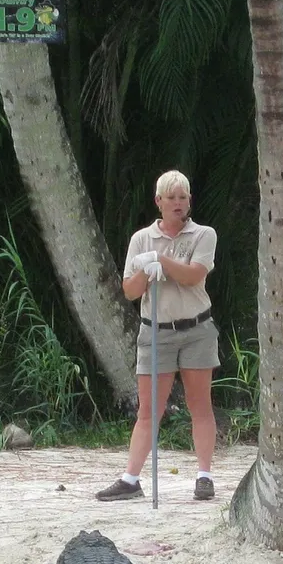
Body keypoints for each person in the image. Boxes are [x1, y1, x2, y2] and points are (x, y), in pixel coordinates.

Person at [96, 170, 221, 502]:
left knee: (200, 405)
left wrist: (161, 261)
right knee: (149, 410)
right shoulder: (141, 239)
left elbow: (194, 276)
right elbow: (130, 291)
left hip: (196, 329)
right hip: (156, 331)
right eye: (172, 198)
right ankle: (130, 479)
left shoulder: (203, 234)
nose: (179, 204)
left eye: (184, 197)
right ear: (159, 202)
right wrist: (147, 274)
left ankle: (204, 476)